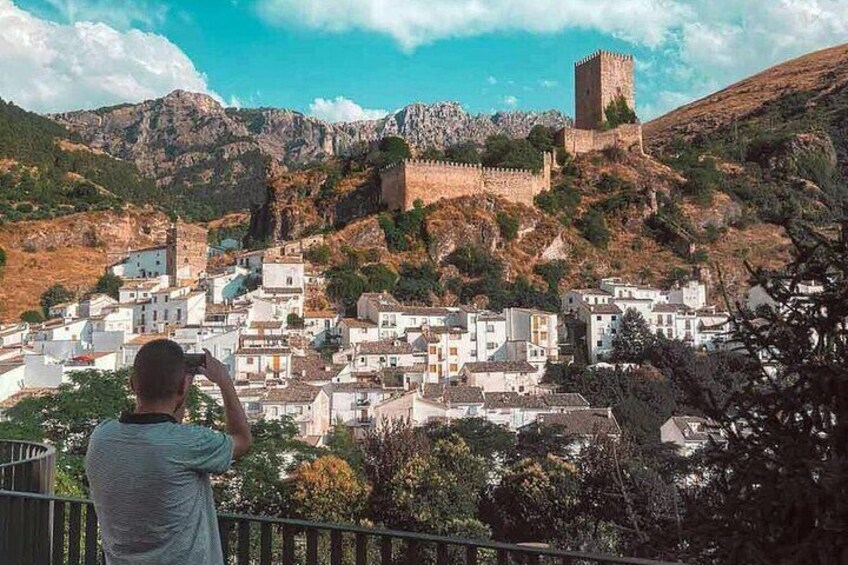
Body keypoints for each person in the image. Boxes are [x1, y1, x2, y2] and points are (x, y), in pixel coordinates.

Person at [86, 339, 252, 565]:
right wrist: (224, 381)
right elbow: (242, 440)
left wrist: (180, 390)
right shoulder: (190, 443)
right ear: (182, 387)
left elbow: (165, 430)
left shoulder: (101, 437)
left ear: (132, 384)